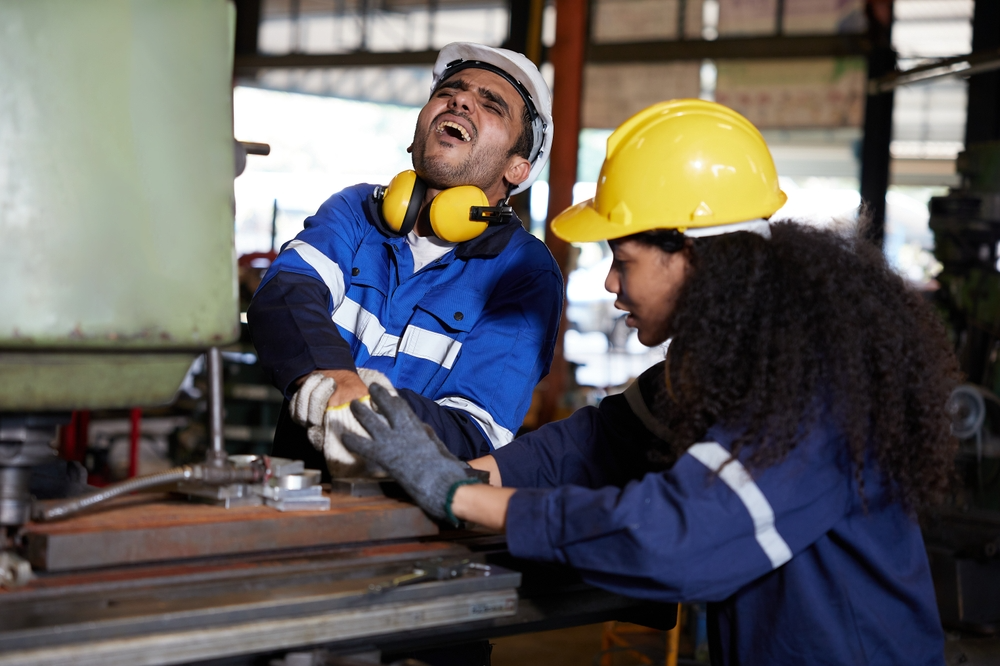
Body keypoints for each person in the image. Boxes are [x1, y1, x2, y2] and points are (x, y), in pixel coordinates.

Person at [341, 100, 959, 664]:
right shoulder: (734, 363)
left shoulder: (812, 390)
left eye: (623, 260)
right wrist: (442, 472)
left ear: (694, 255)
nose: (611, 285)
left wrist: (459, 495)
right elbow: (593, 445)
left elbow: (677, 540)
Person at [247, 43, 562, 476]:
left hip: (406, 529)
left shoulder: (525, 271)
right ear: (416, 134)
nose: (461, 100)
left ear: (517, 169)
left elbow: (476, 431)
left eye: (491, 105)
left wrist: (367, 408)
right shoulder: (356, 210)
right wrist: (340, 380)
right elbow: (285, 292)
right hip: (295, 494)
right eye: (449, 90)